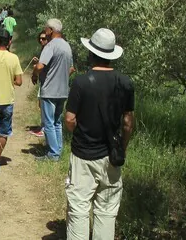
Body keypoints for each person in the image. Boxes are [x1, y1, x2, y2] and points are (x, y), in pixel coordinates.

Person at [64, 28, 134, 240]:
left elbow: (69, 119)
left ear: (91, 53)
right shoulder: (125, 83)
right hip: (111, 155)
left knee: (79, 209)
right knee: (106, 211)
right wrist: (122, 147)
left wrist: (76, 130)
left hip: (83, 156)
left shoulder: (81, 82)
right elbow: (128, 122)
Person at [31, 18, 73, 161]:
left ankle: (53, 154)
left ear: (50, 30)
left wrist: (35, 73)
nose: (45, 31)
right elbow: (71, 68)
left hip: (49, 89)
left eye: (46, 29)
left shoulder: (50, 46)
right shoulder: (67, 46)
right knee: (57, 122)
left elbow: (41, 65)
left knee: (48, 122)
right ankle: (57, 150)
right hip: (63, 90)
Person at [0, 29, 23, 174]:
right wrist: (10, 79)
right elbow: (19, 81)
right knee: (4, 133)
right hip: (7, 101)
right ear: (9, 42)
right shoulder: (14, 58)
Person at [28, 31, 49, 138]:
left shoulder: (49, 49)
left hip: (47, 82)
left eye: (44, 38)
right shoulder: (44, 50)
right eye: (40, 38)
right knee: (41, 104)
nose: (41, 40)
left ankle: (44, 128)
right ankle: (42, 126)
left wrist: (36, 68)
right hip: (43, 81)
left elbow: (44, 67)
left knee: (44, 105)